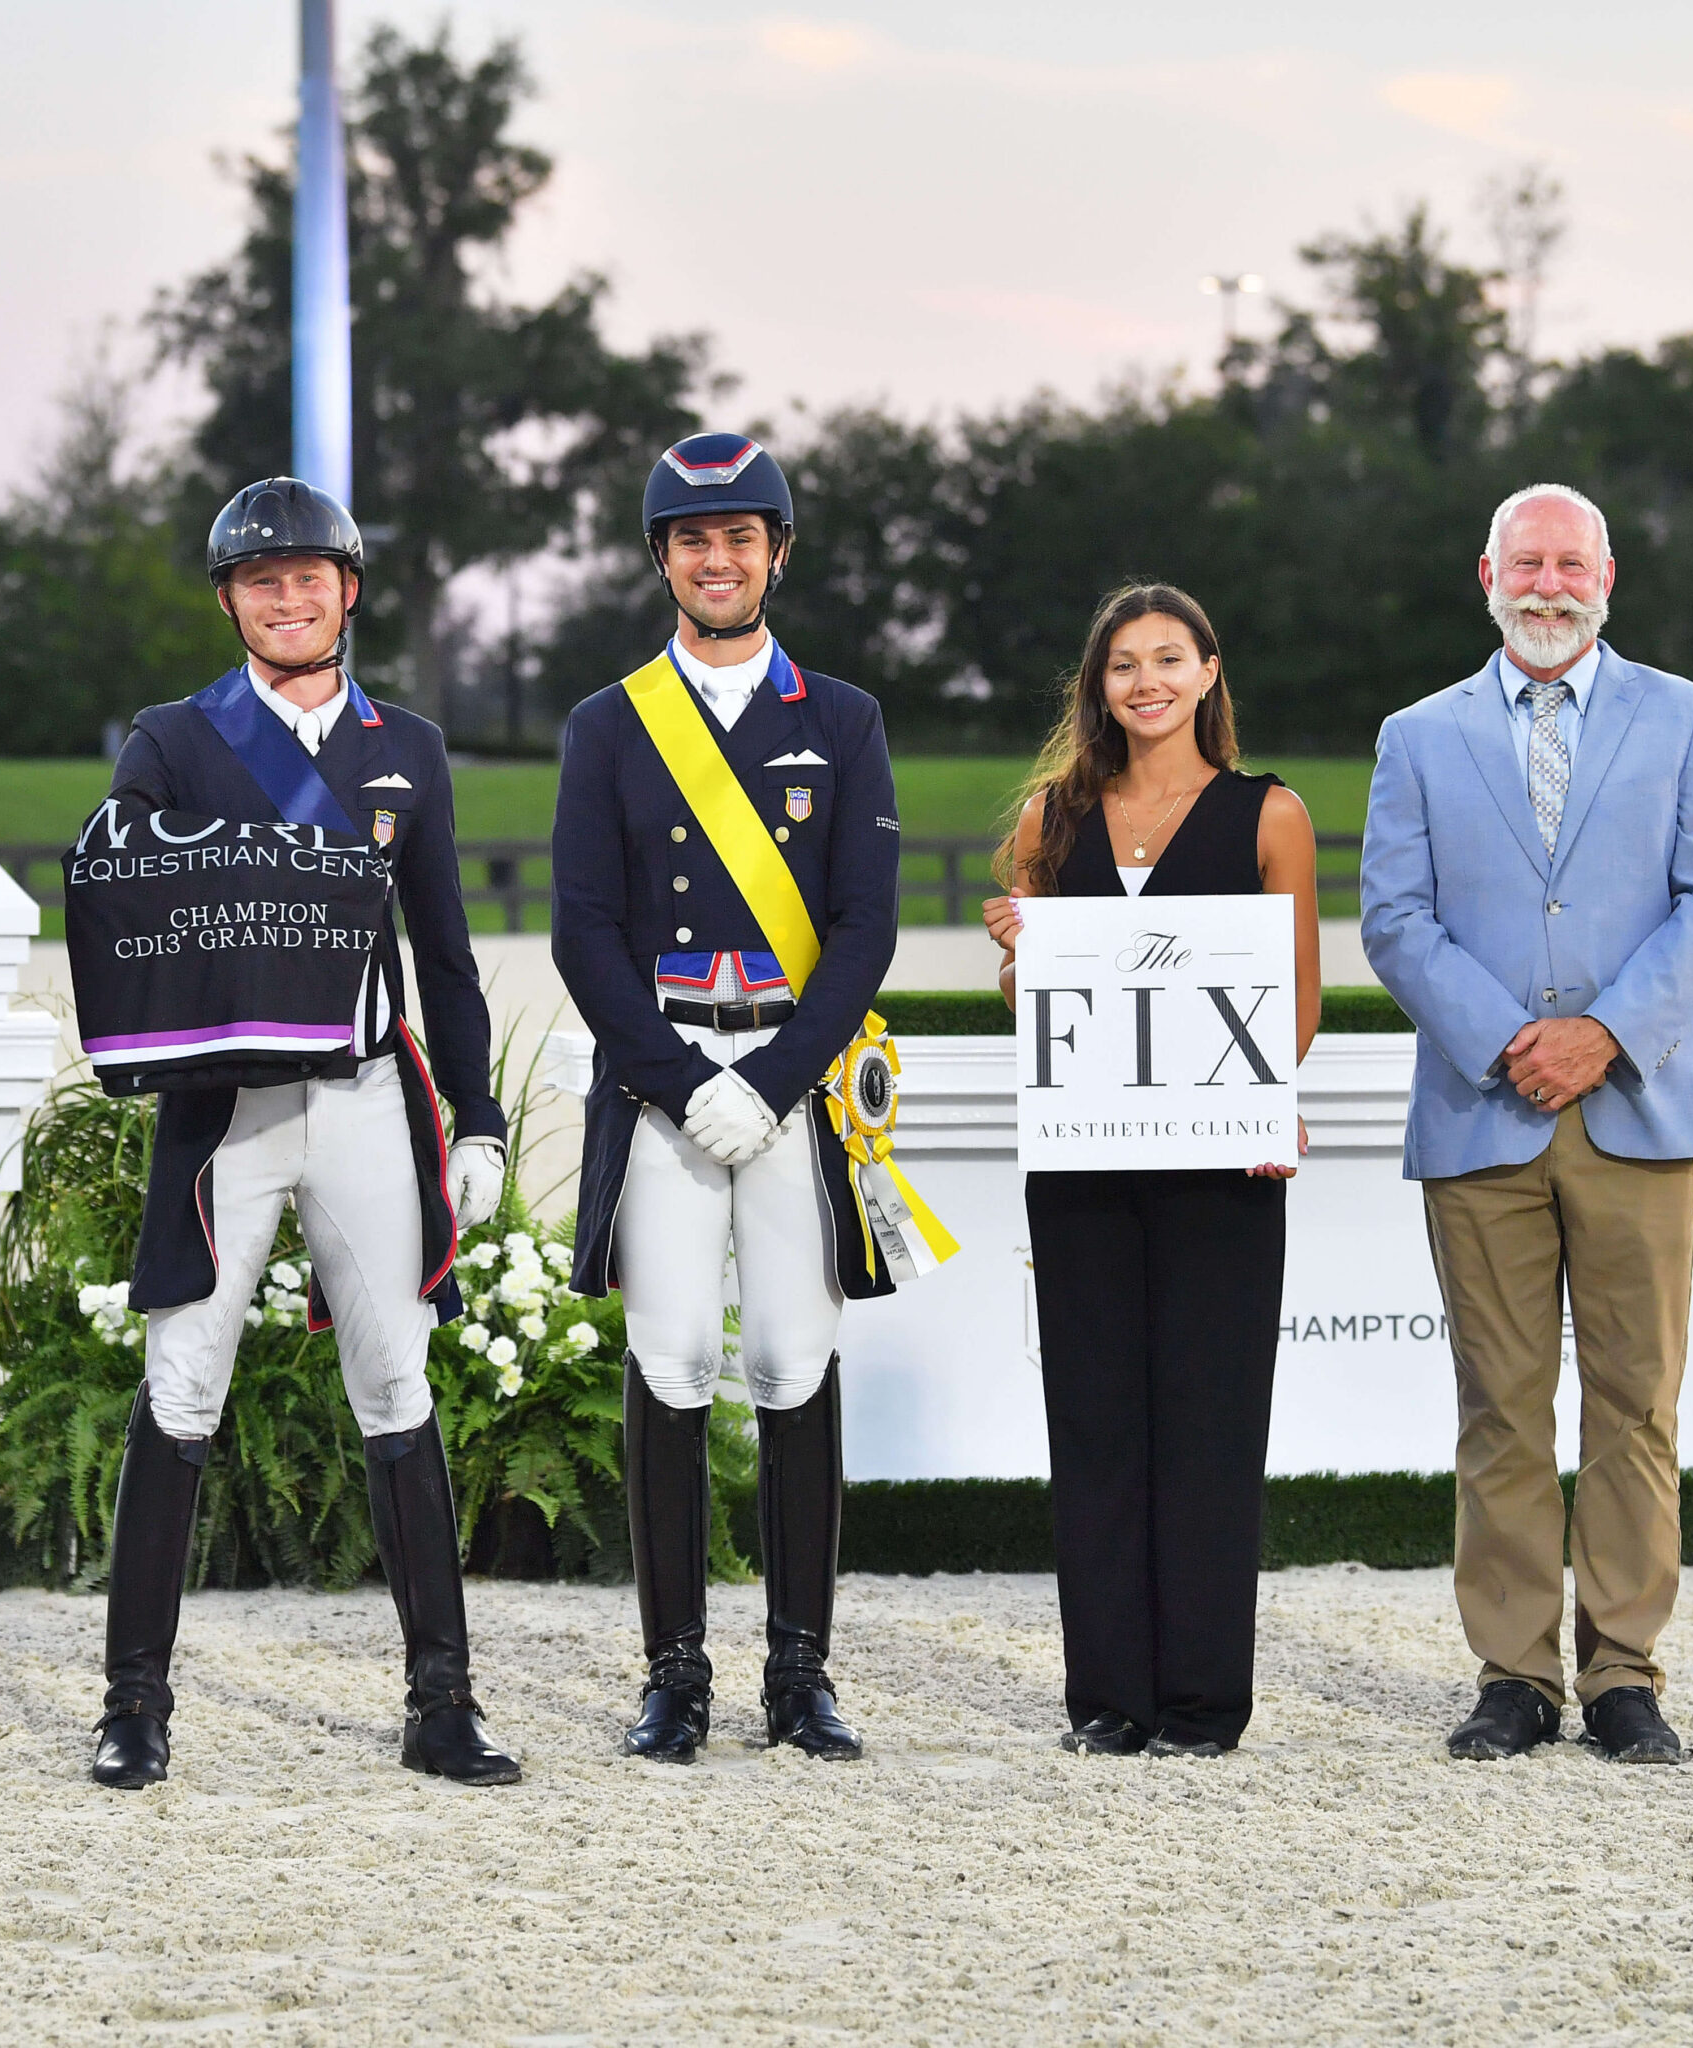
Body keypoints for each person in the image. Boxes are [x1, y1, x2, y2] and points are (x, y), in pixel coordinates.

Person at [88, 477, 518, 1790]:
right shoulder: (172, 739)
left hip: (367, 1099)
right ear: (230, 600)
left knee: (396, 1382)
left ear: (348, 590)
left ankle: (442, 1701)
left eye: (309, 577)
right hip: (228, 1111)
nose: (288, 598)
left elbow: (445, 955)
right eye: (261, 580)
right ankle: (133, 1704)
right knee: (183, 1382)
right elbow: (120, 899)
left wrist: (480, 1115)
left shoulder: (410, 749)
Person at [1361, 484, 1693, 1766]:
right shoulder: (1417, 735)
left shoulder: (1688, 717)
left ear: (1606, 577)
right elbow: (1394, 919)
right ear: (1486, 575)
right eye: (1524, 562)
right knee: (1499, 1407)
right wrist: (1506, 1040)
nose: (1546, 585)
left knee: (1636, 1406)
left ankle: (1623, 1672)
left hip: (1641, 1103)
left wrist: (1603, 1033)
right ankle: (1515, 1675)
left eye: (1568, 564)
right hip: (1483, 1112)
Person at [551, 432, 901, 1762]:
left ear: (777, 554)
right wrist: (682, 1080)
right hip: (667, 1087)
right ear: (663, 558)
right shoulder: (607, 723)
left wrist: (772, 1079)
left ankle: (800, 1672)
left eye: (739, 537)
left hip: (789, 1085)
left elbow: (862, 928)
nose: (717, 560)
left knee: (793, 1357)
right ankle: (675, 1671)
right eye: (693, 540)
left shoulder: (843, 720)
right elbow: (584, 930)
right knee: (674, 1355)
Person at [981, 583, 1319, 1757]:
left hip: (1222, 1163)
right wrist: (1018, 954)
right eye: (1124, 664)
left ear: (1208, 671)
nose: (1146, 682)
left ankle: (1203, 1702)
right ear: (1099, 685)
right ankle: (1109, 1697)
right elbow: (1031, 1005)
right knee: (1095, 1421)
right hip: (1083, 1162)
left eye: (1168, 658)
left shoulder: (1269, 814)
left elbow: (1298, 1001)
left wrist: (1262, 1096)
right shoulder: (1050, 818)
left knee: (1211, 1422)